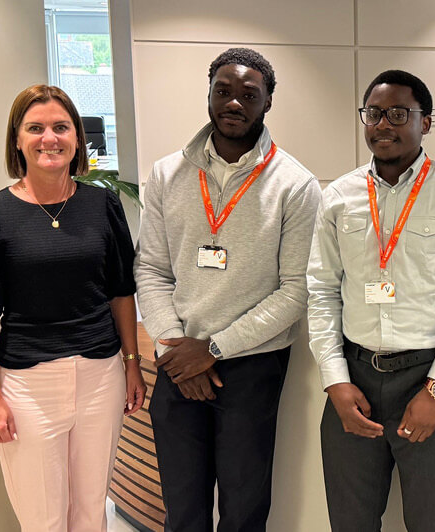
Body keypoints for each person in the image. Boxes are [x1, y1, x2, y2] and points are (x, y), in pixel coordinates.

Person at [135, 47, 321, 531]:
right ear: (209, 94)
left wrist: (213, 349)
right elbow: (151, 269)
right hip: (177, 363)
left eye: (248, 94)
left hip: (251, 368)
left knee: (243, 509)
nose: (233, 102)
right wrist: (178, 348)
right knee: (183, 507)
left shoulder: (295, 185)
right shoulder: (165, 174)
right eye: (223, 91)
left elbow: (295, 290)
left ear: (267, 103)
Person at [0, 84, 146, 532]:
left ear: (77, 138)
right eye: (35, 128)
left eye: (61, 127)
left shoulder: (103, 205)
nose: (49, 138)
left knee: (91, 510)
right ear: (17, 140)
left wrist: (131, 364)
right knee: (43, 519)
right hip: (28, 387)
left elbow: (121, 291)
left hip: (101, 379)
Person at [307, 69, 435, 532]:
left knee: (430, 521)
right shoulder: (338, 196)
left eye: (398, 114)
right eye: (373, 113)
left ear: (425, 123)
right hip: (354, 380)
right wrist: (335, 382)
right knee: (350, 521)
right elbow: (322, 292)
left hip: (427, 377)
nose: (383, 124)